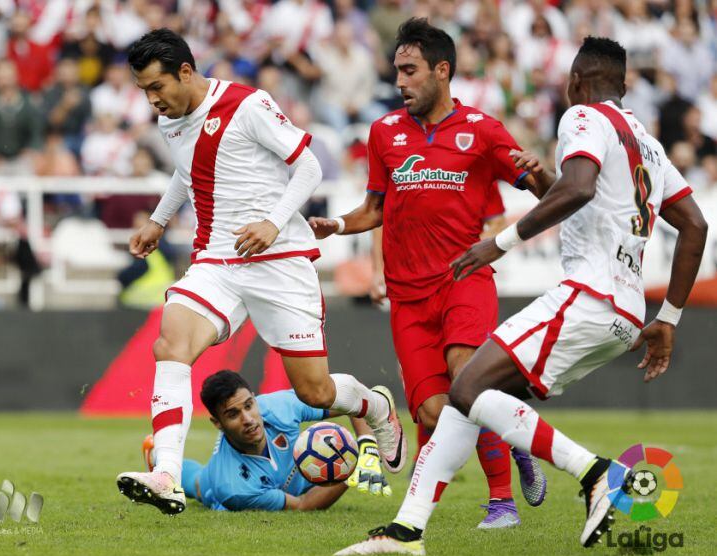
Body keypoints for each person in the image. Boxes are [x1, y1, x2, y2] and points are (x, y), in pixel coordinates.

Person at [334, 36, 708, 556]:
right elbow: (694, 226)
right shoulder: (646, 143)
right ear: (623, 84)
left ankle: (595, 472)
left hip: (588, 294)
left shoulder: (582, 119)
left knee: (466, 388)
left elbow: (577, 188)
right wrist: (668, 318)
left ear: (575, 81)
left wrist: (500, 243)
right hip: (626, 313)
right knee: (474, 399)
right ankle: (406, 530)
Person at [115, 28, 405, 515]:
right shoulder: (172, 119)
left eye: (156, 87)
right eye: (144, 89)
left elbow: (310, 167)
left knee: (315, 390)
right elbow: (188, 173)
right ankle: (167, 472)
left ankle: (373, 405)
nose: (152, 100)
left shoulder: (248, 105)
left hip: (279, 260)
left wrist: (273, 223)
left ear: (185, 72)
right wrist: (159, 220)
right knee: (171, 344)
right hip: (218, 259)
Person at [310, 19, 549, 529]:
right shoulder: (384, 132)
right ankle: (512, 432)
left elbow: (544, 190)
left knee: (469, 380)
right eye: (396, 70)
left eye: (409, 70)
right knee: (436, 414)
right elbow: (374, 209)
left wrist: (542, 169)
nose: (399, 81)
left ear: (442, 71)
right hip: (408, 298)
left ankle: (502, 503)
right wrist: (336, 224)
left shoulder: (482, 131)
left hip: (464, 279)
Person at [141, 370, 391, 511]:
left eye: (249, 405)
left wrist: (367, 446)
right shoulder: (230, 485)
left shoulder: (280, 406)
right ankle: (157, 456)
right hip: (216, 483)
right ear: (218, 423)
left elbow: (353, 401)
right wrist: (352, 469)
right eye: (233, 414)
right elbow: (303, 505)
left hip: (293, 476)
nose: (248, 419)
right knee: (198, 484)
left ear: (254, 398)